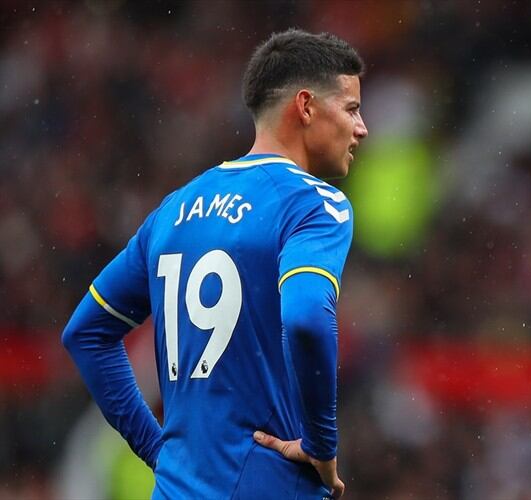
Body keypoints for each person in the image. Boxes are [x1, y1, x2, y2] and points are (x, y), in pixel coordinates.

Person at [61, 29, 368, 499]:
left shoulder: (173, 211)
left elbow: (86, 333)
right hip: (266, 484)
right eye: (350, 108)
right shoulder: (314, 204)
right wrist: (321, 445)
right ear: (305, 106)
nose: (361, 127)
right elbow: (307, 317)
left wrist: (157, 450)